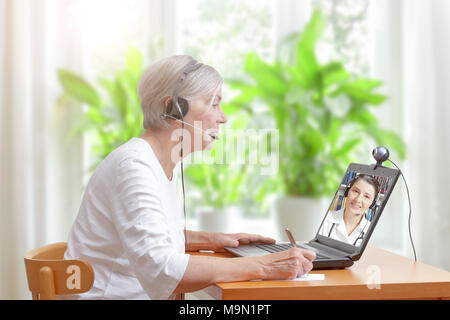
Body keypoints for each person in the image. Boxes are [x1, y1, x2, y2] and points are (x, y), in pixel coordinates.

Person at [62, 55, 316, 300]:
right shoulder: (133, 167)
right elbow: (161, 268)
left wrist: (212, 240)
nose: (223, 118)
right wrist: (262, 266)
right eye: (214, 104)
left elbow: (149, 234)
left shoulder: (158, 163)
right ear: (171, 108)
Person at [319, 174, 379, 246]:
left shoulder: (373, 233)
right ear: (347, 192)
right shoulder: (324, 218)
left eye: (366, 196)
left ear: (372, 204)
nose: (358, 199)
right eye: (356, 191)